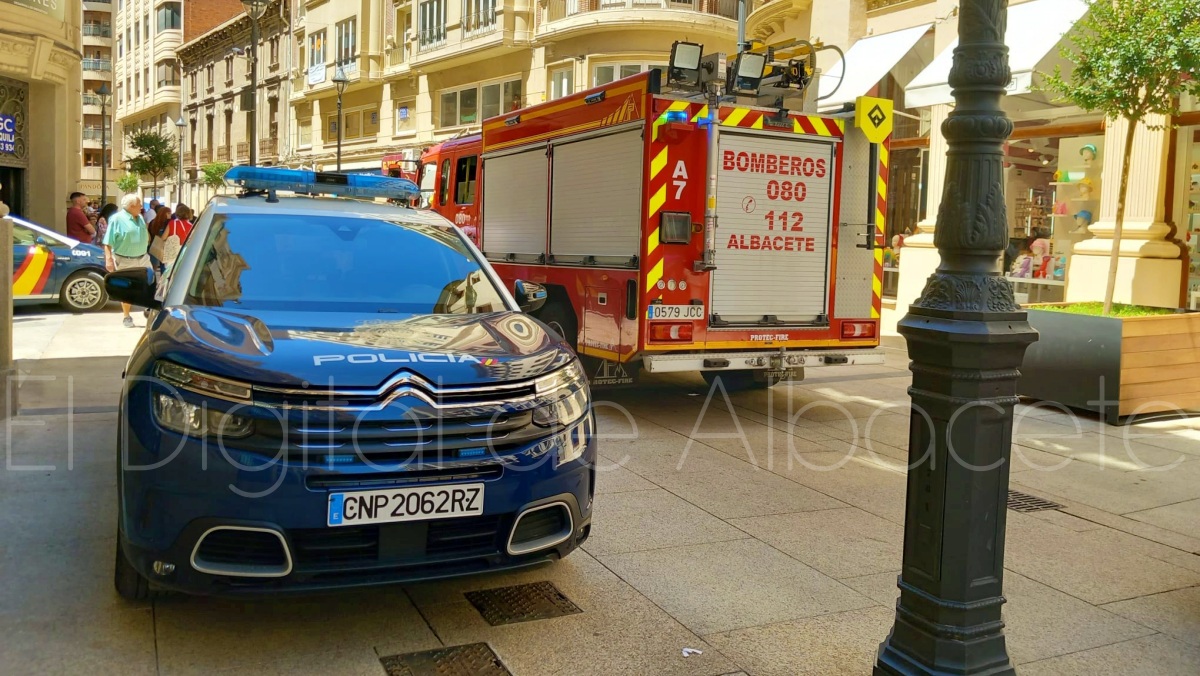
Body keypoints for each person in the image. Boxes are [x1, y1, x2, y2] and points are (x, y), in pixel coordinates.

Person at [103, 193, 152, 328]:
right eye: (139, 204)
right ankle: (126, 316)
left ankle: (149, 309)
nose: (141, 206)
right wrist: (108, 259)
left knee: (151, 284)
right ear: (131, 206)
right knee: (127, 289)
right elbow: (107, 242)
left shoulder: (140, 217)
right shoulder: (116, 219)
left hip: (143, 257)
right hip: (125, 260)